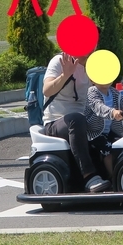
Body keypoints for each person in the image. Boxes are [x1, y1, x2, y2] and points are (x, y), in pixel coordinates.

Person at [41, 50, 102, 190]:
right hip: (56, 122)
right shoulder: (60, 61)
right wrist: (65, 74)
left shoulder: (93, 65)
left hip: (83, 120)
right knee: (77, 118)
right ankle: (89, 176)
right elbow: (47, 90)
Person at [84, 78, 123, 190]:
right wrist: (113, 112)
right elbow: (98, 107)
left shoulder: (114, 92)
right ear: (92, 79)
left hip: (109, 131)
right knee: (108, 150)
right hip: (93, 133)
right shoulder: (92, 92)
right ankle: (114, 178)